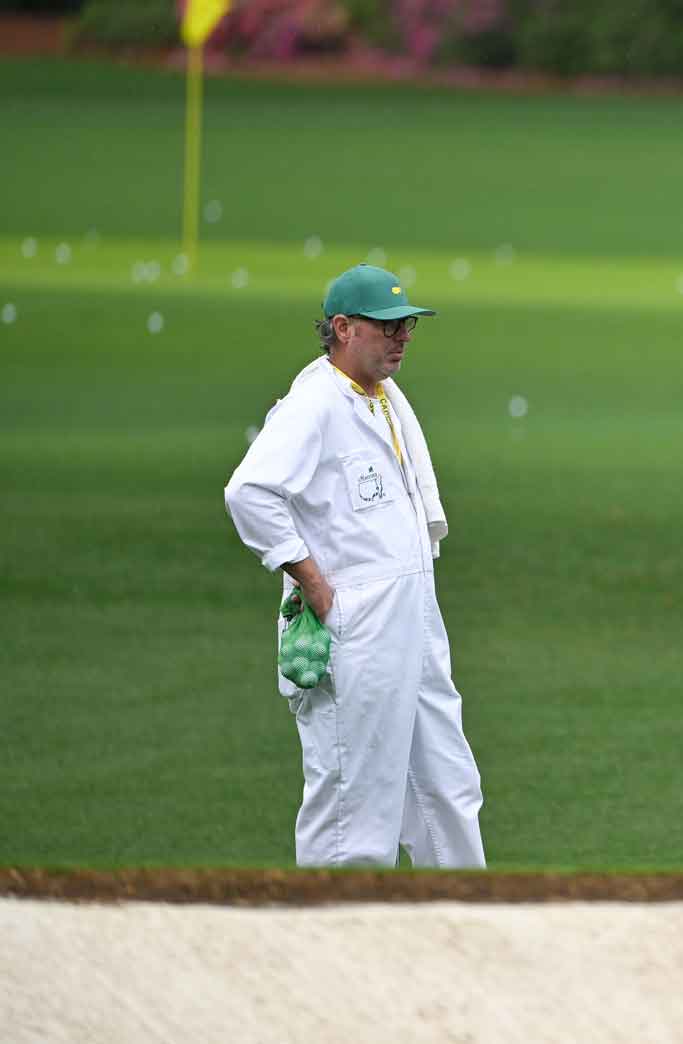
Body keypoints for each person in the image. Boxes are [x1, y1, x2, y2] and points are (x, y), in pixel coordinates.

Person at [225, 263, 485, 868]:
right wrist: (311, 581)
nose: (402, 336)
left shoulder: (384, 394)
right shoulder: (313, 402)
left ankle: (470, 923)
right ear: (342, 328)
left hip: (413, 618)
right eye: (387, 324)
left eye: (409, 324)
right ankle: (333, 940)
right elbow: (250, 492)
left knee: (447, 784)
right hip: (356, 628)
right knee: (353, 808)